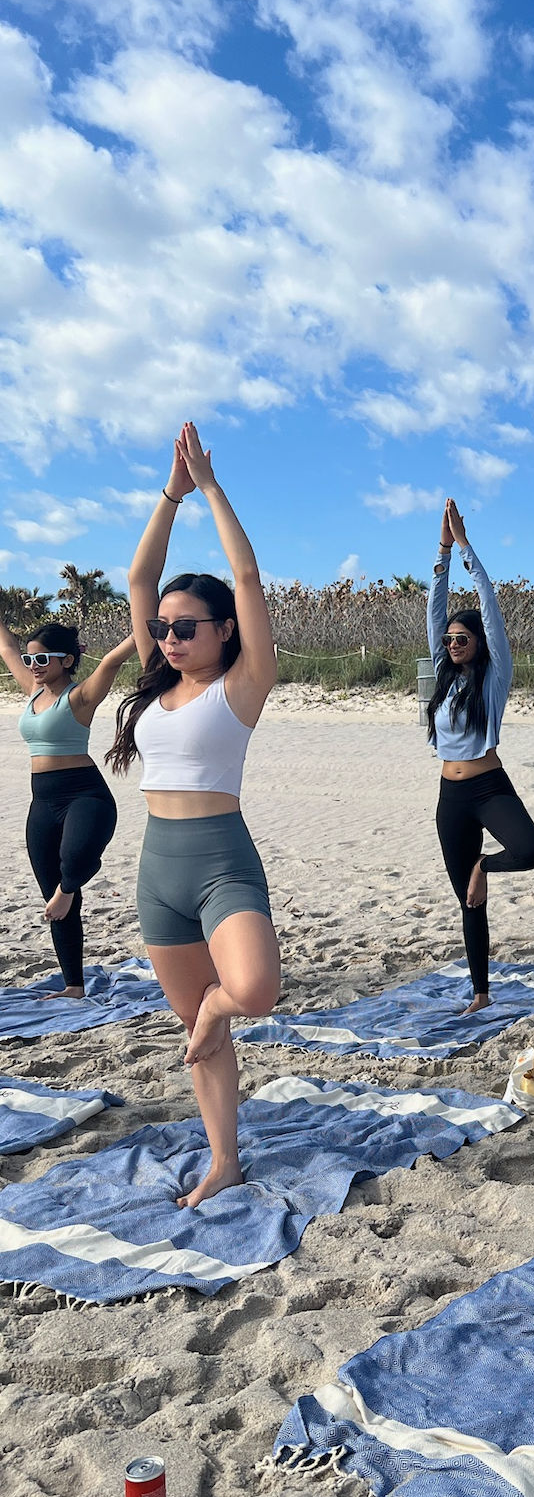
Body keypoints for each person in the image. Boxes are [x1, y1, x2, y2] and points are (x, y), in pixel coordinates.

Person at [107, 422, 280, 1209]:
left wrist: (209, 488)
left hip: (220, 860)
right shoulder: (155, 679)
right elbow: (140, 577)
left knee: (250, 993)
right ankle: (224, 1161)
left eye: (187, 628)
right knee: (200, 1041)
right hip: (158, 870)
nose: (170, 637)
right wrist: (167, 496)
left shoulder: (242, 684)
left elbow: (245, 573)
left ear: (225, 632)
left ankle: (213, 1006)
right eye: (163, 629)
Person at [426, 498, 534, 1014]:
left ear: (479, 643)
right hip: (450, 795)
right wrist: (441, 552)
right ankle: (480, 992)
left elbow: (490, 605)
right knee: (468, 904)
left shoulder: (494, 678)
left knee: (528, 850)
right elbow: (435, 608)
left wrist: (466, 548)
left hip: (489, 788)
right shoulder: (441, 673)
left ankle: (483, 865)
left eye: (462, 638)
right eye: (449, 638)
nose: (453, 643)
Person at [0, 615, 136, 996]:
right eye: (30, 661)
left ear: (68, 660)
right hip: (42, 800)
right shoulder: (32, 689)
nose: (34, 668)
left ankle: (70, 886)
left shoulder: (79, 697)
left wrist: (152, 625)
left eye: (43, 660)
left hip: (84, 795)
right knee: (55, 900)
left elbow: (112, 661)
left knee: (74, 863)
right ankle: (73, 985)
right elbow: (6, 647)